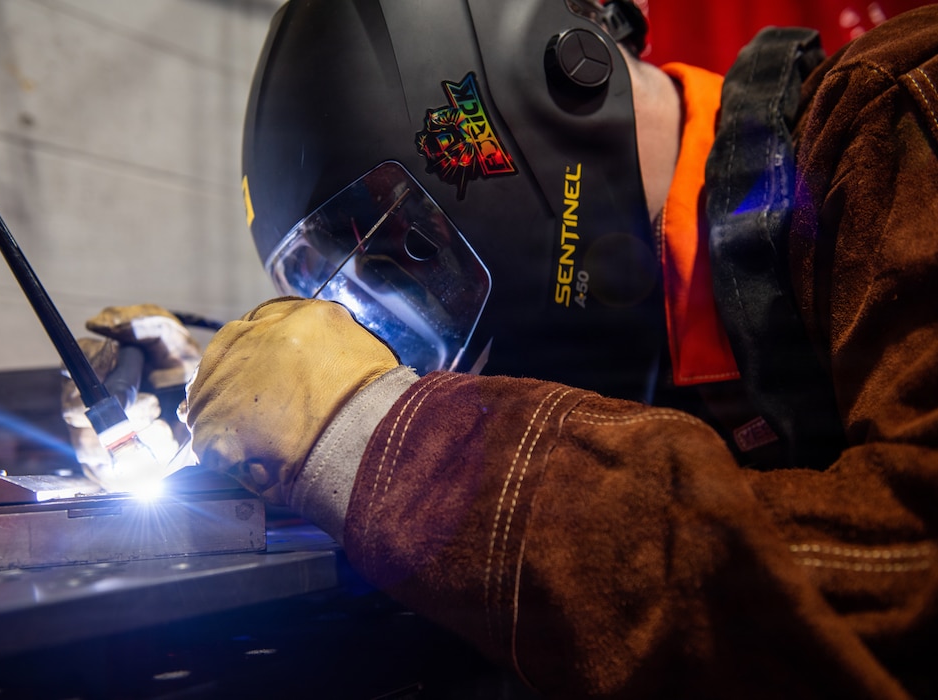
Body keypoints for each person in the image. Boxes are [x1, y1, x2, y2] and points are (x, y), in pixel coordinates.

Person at [81, 1, 938, 696]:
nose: (407, 331)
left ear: (555, 78)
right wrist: (223, 401)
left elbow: (906, 579)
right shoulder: (655, 334)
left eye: (410, 259)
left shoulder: (902, 113)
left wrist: (377, 436)